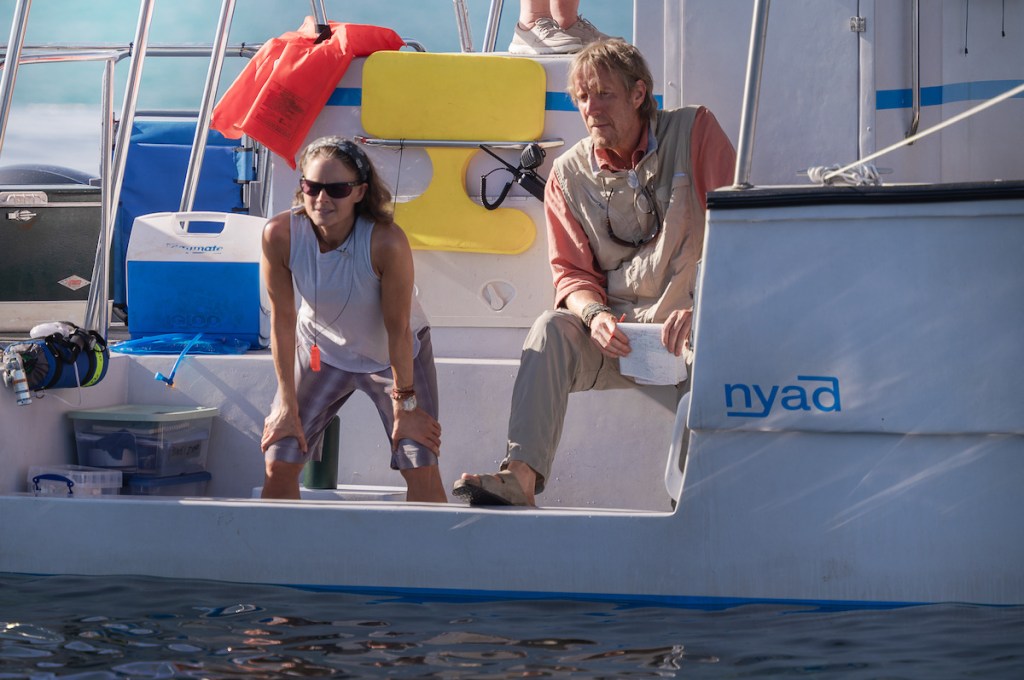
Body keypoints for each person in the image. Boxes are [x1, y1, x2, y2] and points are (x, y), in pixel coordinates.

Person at [453, 39, 736, 506]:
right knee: (550, 328)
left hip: (696, 332)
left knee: (718, 357)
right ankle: (520, 479)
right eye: (583, 97)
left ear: (639, 94)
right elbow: (571, 275)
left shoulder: (695, 130)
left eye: (604, 94)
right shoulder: (565, 174)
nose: (591, 108)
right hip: (620, 340)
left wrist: (702, 309)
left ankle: (693, 505)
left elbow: (738, 232)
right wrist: (595, 316)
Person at [260, 136, 447, 503]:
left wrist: (406, 405)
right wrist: (285, 405)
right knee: (279, 457)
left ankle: (435, 540)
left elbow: (398, 329)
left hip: (392, 358)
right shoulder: (279, 235)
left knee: (418, 461)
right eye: (312, 187)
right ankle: (277, 541)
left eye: (337, 189)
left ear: (360, 192)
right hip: (323, 352)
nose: (322, 199)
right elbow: (282, 320)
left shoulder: (386, 241)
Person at [509, 0, 611, 55]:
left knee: (565, 18)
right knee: (535, 15)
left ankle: (567, 24)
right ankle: (531, 22)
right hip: (530, 31)